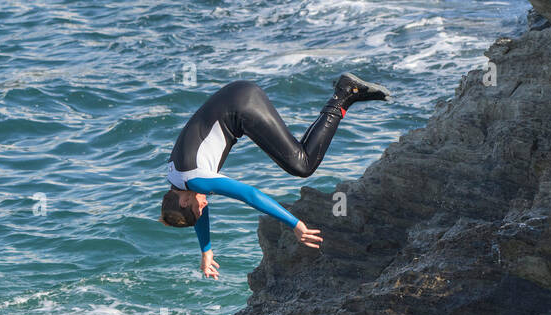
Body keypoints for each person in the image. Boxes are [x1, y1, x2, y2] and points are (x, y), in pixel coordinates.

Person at [159, 74, 390, 280]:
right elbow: (199, 208)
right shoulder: (176, 177)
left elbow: (250, 195)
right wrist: (206, 250)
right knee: (299, 160)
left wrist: (295, 224)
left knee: (303, 165)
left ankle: (344, 94)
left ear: (183, 201)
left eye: (198, 208)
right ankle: (348, 96)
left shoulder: (194, 179)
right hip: (235, 96)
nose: (205, 205)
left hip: (242, 105)